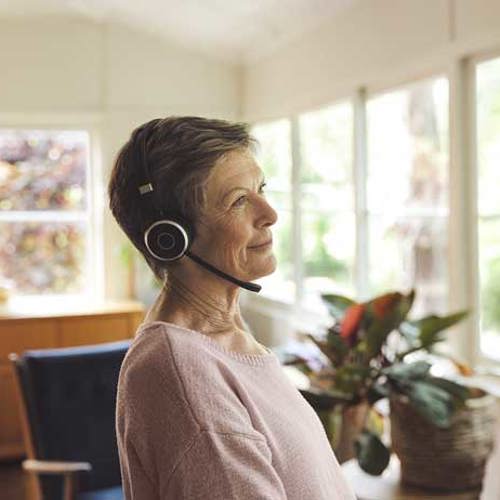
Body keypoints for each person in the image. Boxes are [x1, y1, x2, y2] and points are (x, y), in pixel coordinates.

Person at [108, 116, 356, 499]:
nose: (270, 213)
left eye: (261, 189)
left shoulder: (226, 340)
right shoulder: (182, 374)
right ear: (170, 238)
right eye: (239, 200)